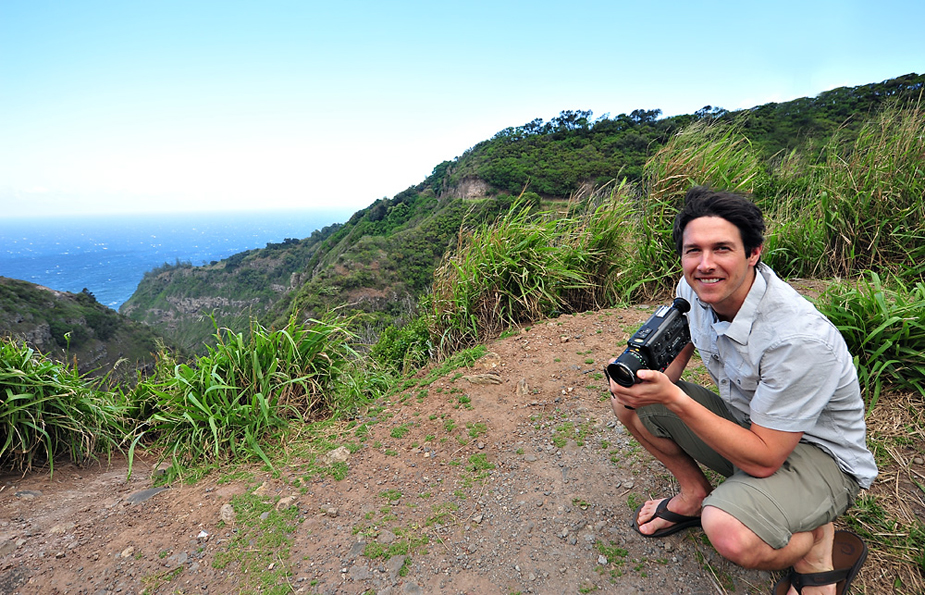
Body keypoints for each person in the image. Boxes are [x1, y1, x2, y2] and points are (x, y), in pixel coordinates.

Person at [608, 186, 877, 594]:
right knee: (629, 403)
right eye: (692, 250)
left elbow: (766, 459)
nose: (705, 264)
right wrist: (652, 379)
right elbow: (677, 343)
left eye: (722, 249)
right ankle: (694, 495)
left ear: (753, 253)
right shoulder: (694, 292)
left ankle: (817, 546)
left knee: (729, 530)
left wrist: (674, 398)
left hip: (819, 455)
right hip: (753, 424)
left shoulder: (797, 339)